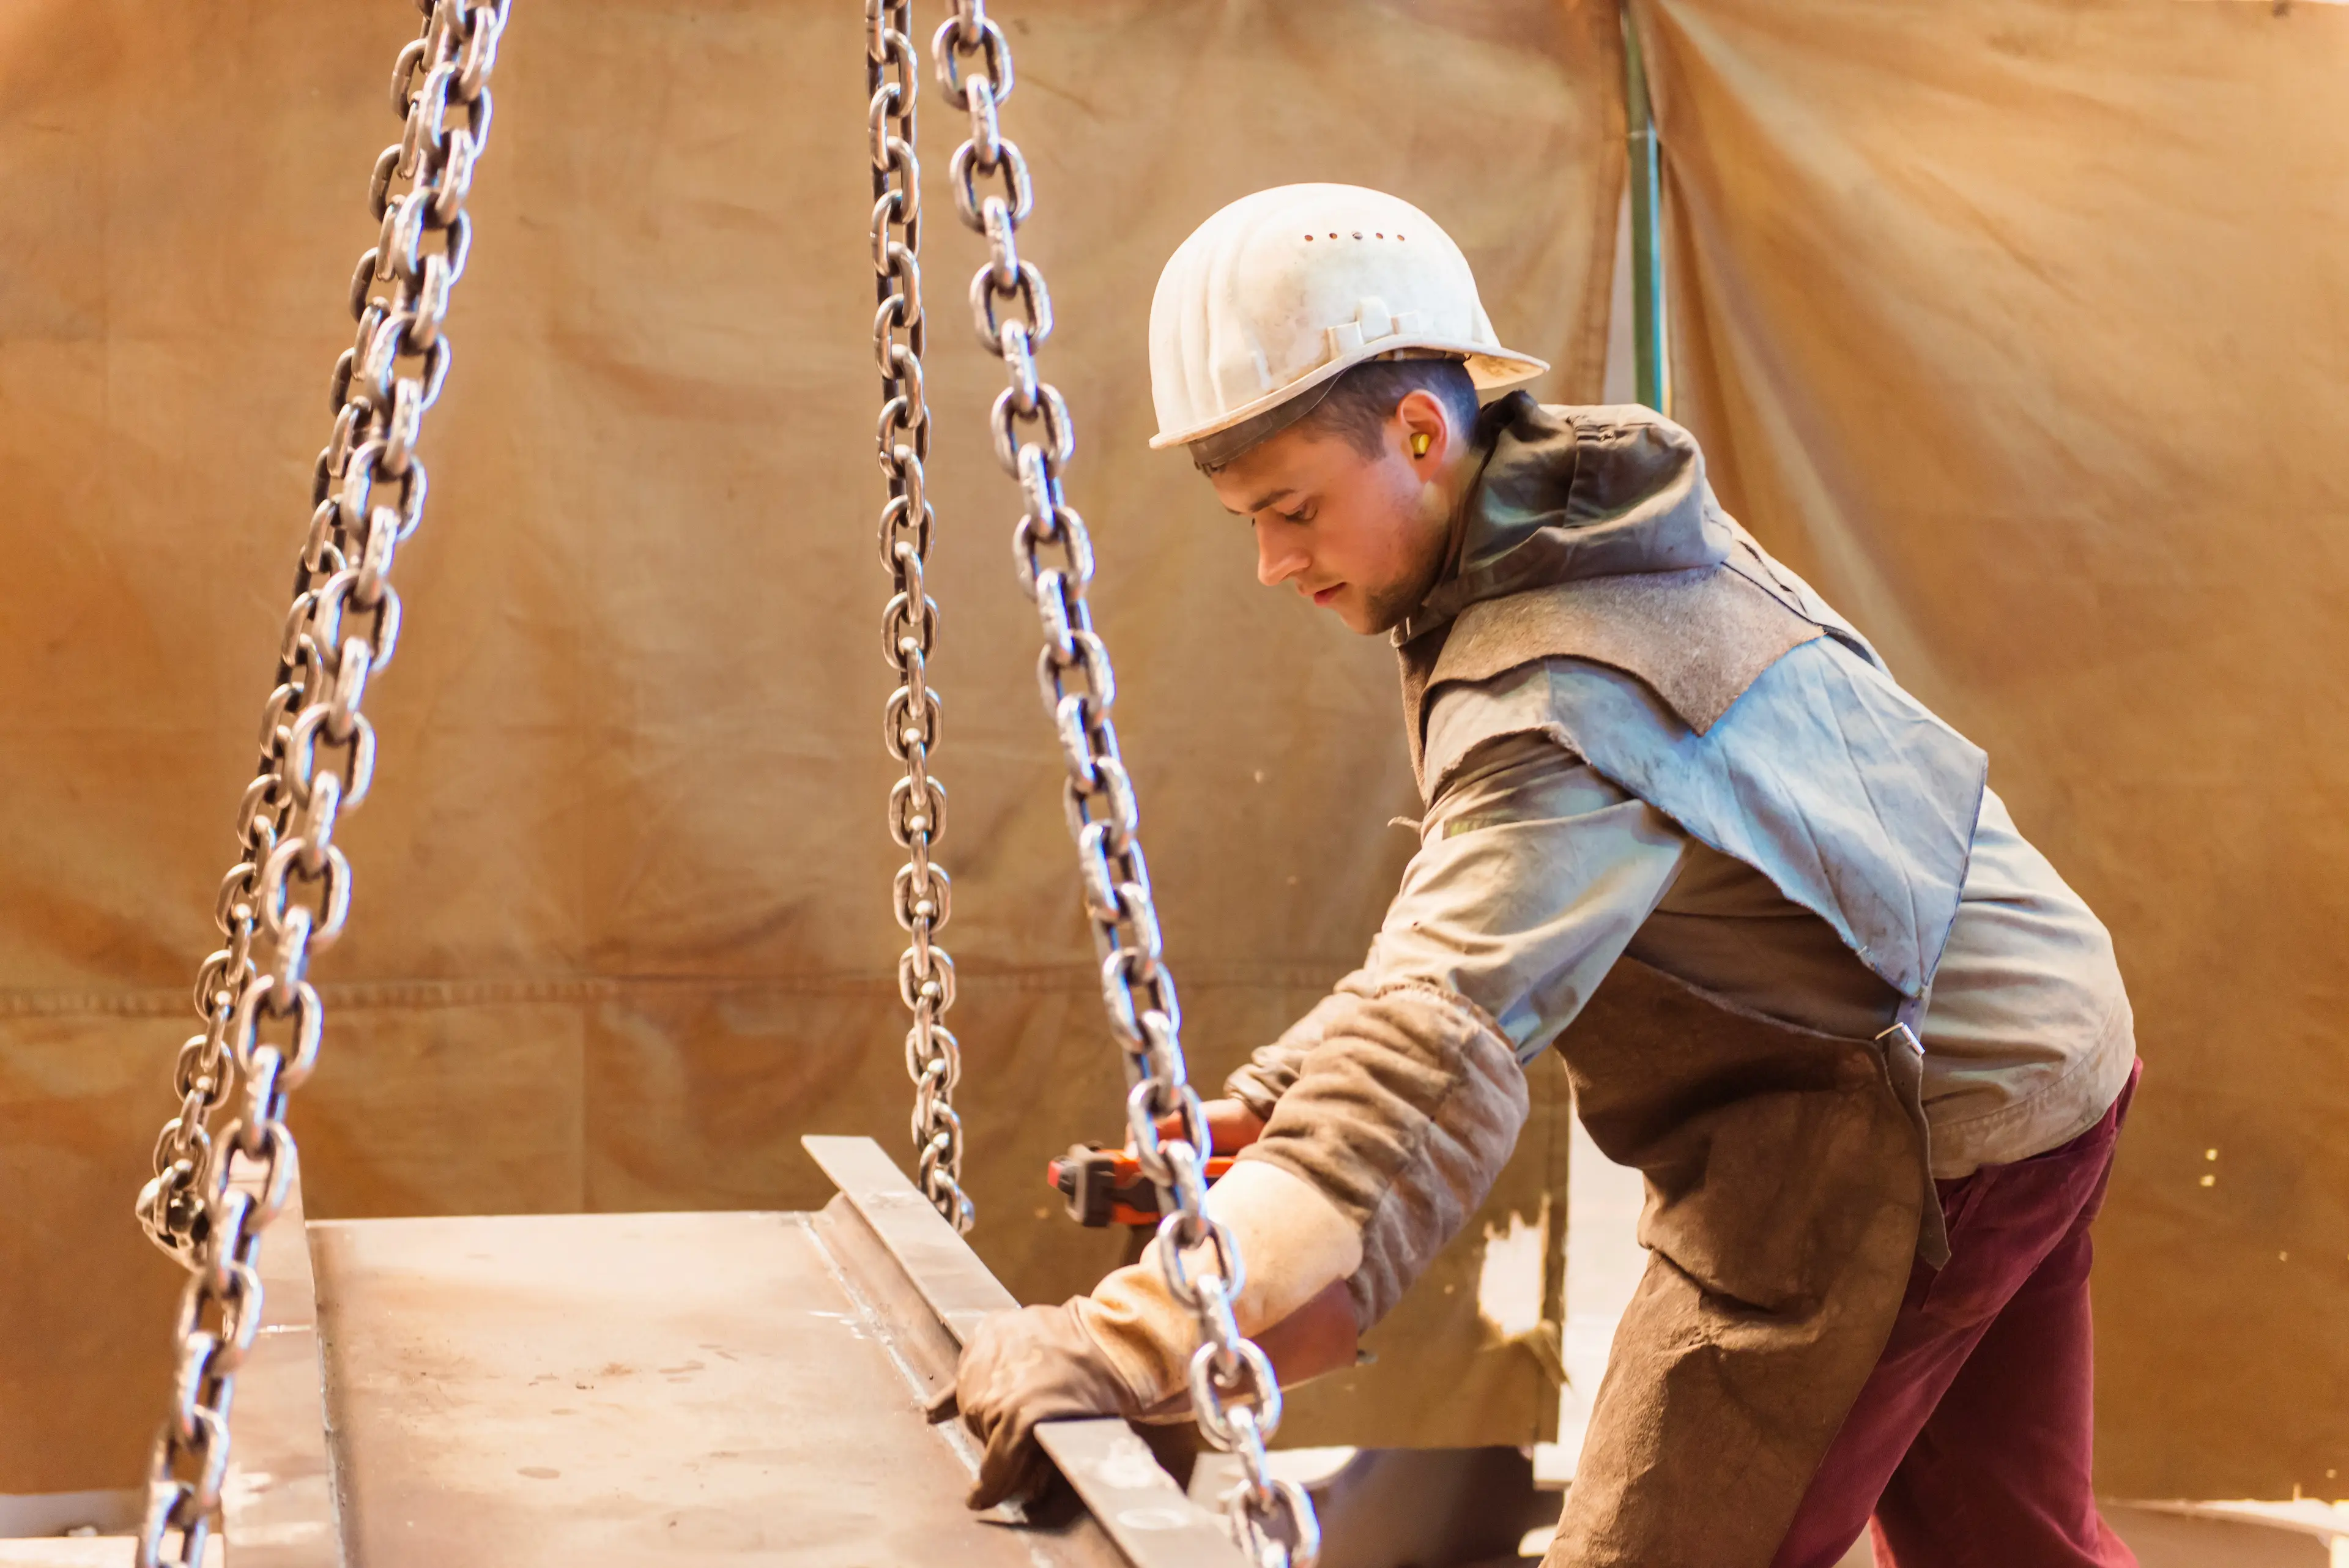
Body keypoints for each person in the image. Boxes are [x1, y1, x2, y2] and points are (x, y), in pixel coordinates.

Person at [953, 184, 2142, 1568]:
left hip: (1916, 1129)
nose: (1275, 563)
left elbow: (1427, 1044)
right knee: (2009, 1542)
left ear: (1417, 428)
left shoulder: (1562, 689)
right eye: (1249, 524)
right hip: (2045, 1021)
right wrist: (1277, 1105)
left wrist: (1132, 1338)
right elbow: (1464, 930)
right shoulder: (1580, 509)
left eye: (1293, 510)